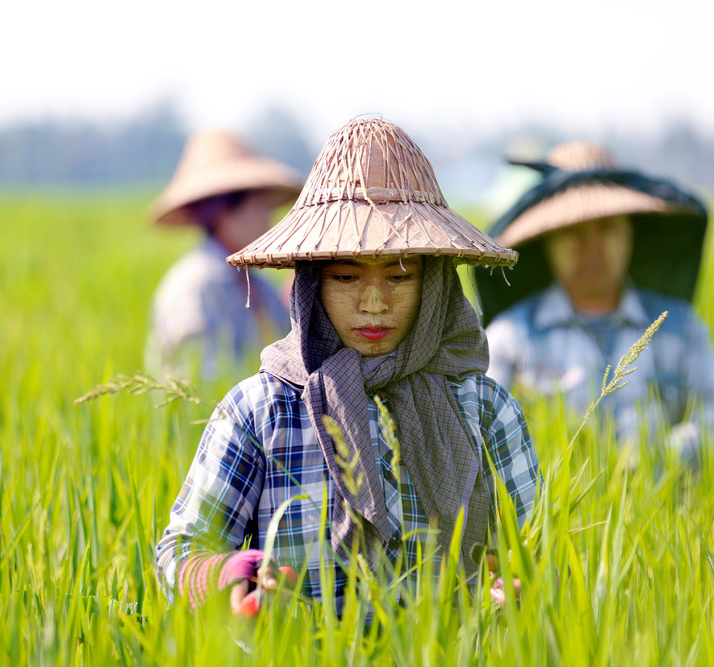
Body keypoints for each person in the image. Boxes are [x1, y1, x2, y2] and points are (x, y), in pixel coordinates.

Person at [155, 118, 542, 616]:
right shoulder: (262, 411)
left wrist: (519, 589)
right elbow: (181, 551)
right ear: (312, 285)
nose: (374, 303)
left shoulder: (484, 409)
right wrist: (233, 580)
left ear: (435, 283)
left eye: (400, 276)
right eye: (345, 277)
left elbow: (537, 552)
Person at [474, 141, 714, 463]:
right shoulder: (510, 338)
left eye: (607, 228)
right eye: (572, 232)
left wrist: (654, 465)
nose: (591, 248)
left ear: (630, 234)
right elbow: (482, 436)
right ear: (546, 243)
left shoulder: (680, 328)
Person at [144, 130, 303, 381]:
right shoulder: (194, 289)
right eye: (260, 206)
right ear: (223, 211)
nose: (269, 219)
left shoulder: (261, 287)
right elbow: (201, 388)